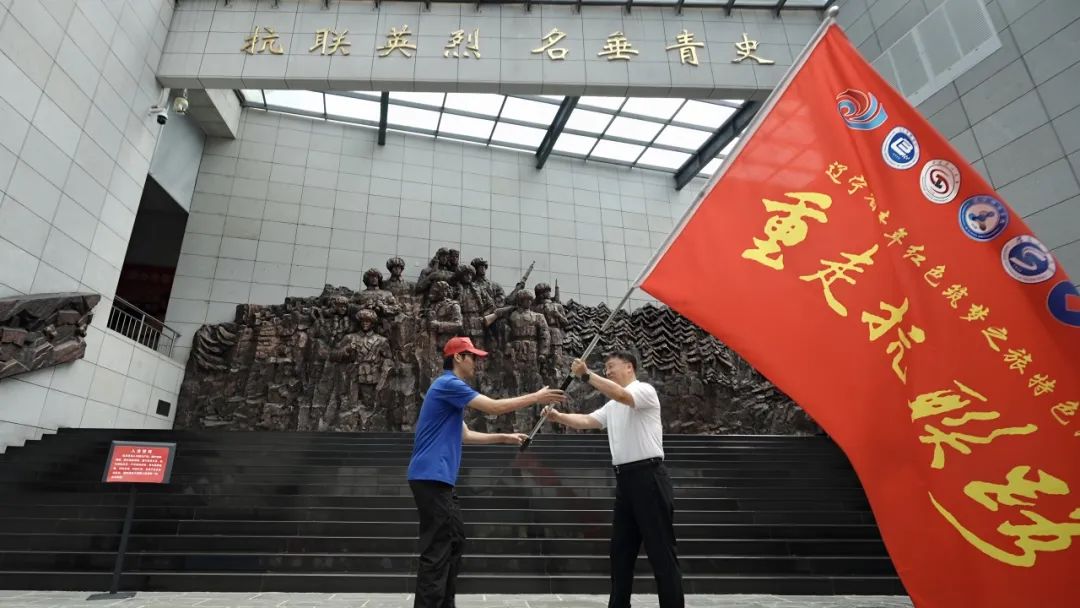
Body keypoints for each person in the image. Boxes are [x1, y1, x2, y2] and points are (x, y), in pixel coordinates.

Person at [407, 336, 567, 608]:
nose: (477, 363)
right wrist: (536, 397)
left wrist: (504, 438)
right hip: (431, 476)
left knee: (454, 540)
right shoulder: (449, 383)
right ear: (458, 357)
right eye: (473, 357)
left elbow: (465, 435)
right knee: (438, 549)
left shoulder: (448, 391)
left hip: (437, 479)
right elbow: (493, 407)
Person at [543, 351, 684, 608]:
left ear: (629, 367)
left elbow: (622, 395)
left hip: (649, 478)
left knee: (661, 553)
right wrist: (559, 417)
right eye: (605, 368)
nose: (607, 372)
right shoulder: (612, 405)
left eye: (611, 367)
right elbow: (588, 420)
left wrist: (587, 375)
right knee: (620, 554)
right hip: (625, 482)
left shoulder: (643, 391)